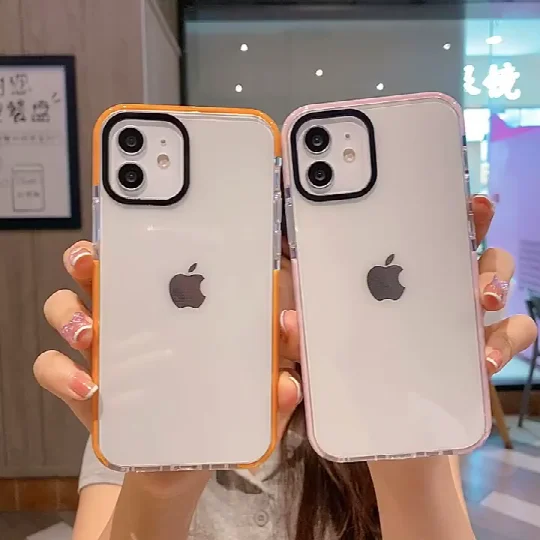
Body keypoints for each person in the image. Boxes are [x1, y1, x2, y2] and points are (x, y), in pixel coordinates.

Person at [34, 195, 536, 540]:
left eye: (286, 246)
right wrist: (158, 490)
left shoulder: (401, 407)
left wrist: (401, 441)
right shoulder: (146, 410)